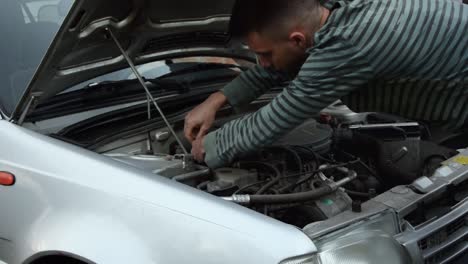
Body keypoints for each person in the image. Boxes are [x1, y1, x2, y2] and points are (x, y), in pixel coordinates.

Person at [184, 0, 468, 168]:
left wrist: (210, 147)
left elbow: (275, 118)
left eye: (264, 54)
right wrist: (217, 99)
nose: (263, 63)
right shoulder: (331, 12)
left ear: (297, 39)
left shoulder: (351, 42)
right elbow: (286, 64)